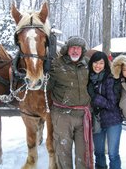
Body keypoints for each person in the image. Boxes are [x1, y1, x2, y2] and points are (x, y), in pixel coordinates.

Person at [48, 36, 93, 169]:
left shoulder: (88, 63)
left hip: (82, 115)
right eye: (73, 48)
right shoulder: (56, 64)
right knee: (63, 151)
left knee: (83, 152)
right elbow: (46, 86)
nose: (75, 51)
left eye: (78, 48)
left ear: (82, 50)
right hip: (62, 115)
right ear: (67, 49)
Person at [87, 51, 123, 169]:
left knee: (113, 154)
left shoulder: (109, 79)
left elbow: (112, 104)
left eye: (101, 63)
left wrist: (95, 97)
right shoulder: (90, 79)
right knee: (99, 153)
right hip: (97, 121)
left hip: (112, 121)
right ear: (91, 63)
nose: (98, 66)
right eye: (95, 62)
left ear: (105, 64)